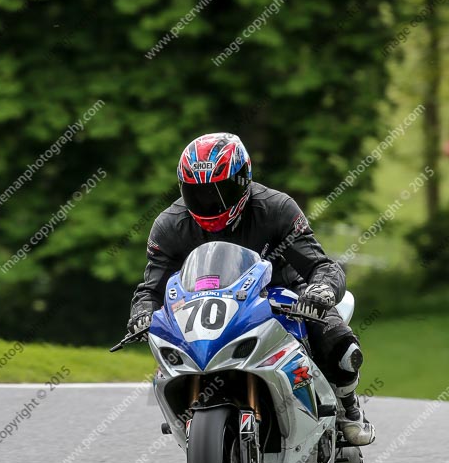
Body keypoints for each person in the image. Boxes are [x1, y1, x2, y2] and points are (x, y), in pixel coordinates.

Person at [128, 132, 374, 446]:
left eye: (222, 189)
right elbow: (150, 288)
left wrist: (321, 291)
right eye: (197, 193)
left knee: (343, 349)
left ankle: (348, 408)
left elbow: (321, 265)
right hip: (207, 306)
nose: (210, 202)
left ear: (244, 181)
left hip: (282, 293)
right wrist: (142, 313)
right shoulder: (169, 225)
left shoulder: (277, 208)